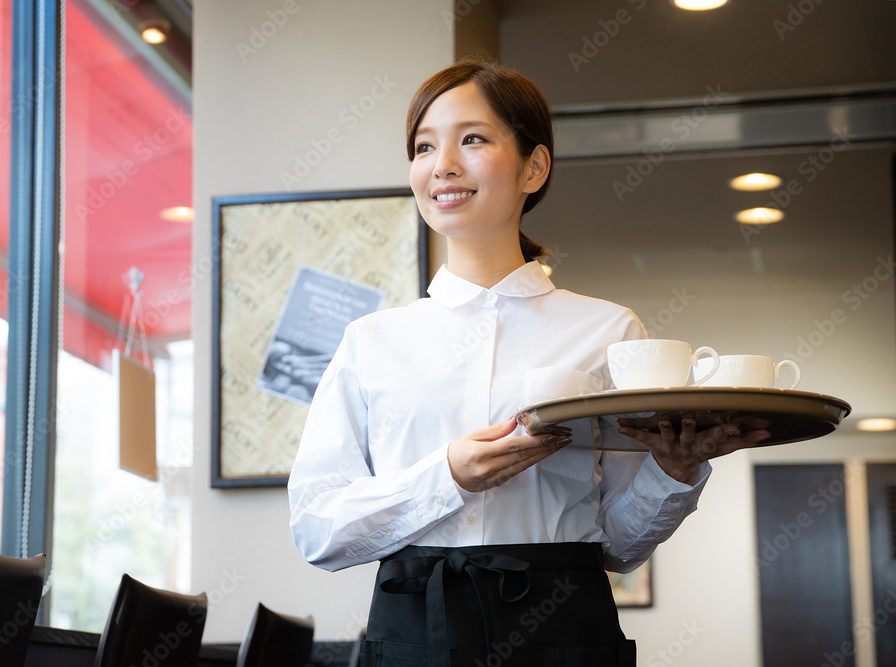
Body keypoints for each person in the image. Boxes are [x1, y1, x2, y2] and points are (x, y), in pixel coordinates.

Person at [288, 59, 769, 667]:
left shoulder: (607, 328)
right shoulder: (371, 341)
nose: (443, 166)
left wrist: (671, 472)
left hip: (566, 628)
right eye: (423, 146)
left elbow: (618, 546)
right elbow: (317, 529)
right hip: (417, 631)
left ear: (533, 166)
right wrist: (449, 477)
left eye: (473, 138)